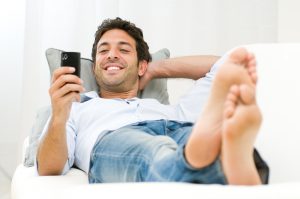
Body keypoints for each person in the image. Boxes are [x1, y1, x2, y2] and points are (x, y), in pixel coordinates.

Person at [36, 17, 268, 185]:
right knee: (154, 151)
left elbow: (229, 64)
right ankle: (215, 160)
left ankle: (223, 159)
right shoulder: (74, 107)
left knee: (189, 138)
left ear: (142, 66)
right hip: (115, 137)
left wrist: (157, 68)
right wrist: (58, 115)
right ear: (95, 67)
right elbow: (48, 168)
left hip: (177, 128)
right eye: (103, 51)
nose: (112, 55)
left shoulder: (170, 110)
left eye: (124, 50)